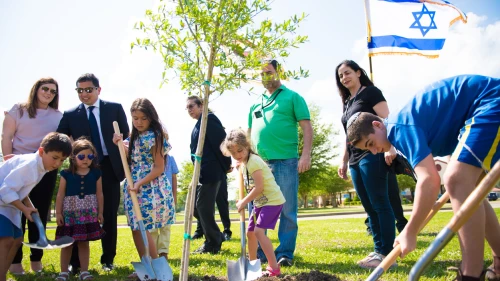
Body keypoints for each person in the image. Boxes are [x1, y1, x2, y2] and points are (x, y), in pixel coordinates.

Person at [346, 75, 500, 281]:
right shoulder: (400, 128)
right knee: (471, 192)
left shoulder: (397, 128)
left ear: (377, 125)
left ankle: (470, 274)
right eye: (368, 149)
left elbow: (429, 180)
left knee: (456, 180)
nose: (374, 152)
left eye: (370, 143)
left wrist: (410, 230)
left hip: (488, 101)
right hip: (481, 108)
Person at [57, 73, 129, 273]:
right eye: (80, 90)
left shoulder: (114, 108)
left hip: (110, 168)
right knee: (75, 216)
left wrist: (122, 141)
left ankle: (108, 260)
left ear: (99, 89)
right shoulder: (70, 114)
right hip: (81, 169)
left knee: (109, 214)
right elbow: (60, 138)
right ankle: (75, 264)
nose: (84, 94)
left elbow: (126, 135)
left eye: (88, 89)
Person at [336, 60, 402, 268]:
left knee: (381, 203)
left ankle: (387, 255)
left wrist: (391, 147)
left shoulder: (371, 93)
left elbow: (387, 120)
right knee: (369, 207)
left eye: (347, 73)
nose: (344, 78)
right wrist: (344, 159)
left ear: (358, 72)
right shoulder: (347, 102)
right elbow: (350, 135)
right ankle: (378, 251)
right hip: (355, 158)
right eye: (340, 76)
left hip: (373, 154)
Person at [248, 59, 313, 266]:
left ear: (279, 72)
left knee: (287, 209)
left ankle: (285, 253)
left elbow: (307, 127)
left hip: (286, 161)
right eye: (262, 74)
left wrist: (305, 155)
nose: (266, 77)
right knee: (257, 209)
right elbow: (249, 135)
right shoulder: (255, 103)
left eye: (269, 72)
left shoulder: (293, 97)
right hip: (258, 164)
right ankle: (259, 254)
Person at [1, 77, 63, 274]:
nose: (48, 93)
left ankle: (36, 260)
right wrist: (7, 160)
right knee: (17, 212)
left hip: (45, 168)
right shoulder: (18, 109)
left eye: (53, 91)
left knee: (38, 212)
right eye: (45, 89)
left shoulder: (58, 116)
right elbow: (6, 136)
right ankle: (15, 263)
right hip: (20, 165)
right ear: (36, 89)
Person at [113, 98, 175, 279]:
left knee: (144, 226)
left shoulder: (155, 136)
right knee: (135, 226)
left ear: (151, 118)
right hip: (133, 187)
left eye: (143, 118)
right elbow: (131, 159)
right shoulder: (133, 137)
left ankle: (156, 267)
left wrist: (140, 183)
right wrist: (119, 144)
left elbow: (159, 167)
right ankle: (146, 266)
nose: (139, 122)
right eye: (135, 118)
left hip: (151, 188)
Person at [0, 132, 72, 281]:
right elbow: (6, 190)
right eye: (55, 158)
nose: (58, 164)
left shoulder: (41, 167)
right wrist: (24, 209)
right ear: (41, 151)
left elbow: (21, 189)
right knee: (6, 240)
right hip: (2, 203)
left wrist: (30, 207)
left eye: (62, 160)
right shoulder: (31, 166)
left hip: (8, 203)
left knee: (17, 239)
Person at [221, 129, 286, 277]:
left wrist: (244, 201)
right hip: (260, 203)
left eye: (240, 150)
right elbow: (251, 186)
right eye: (234, 153)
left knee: (258, 232)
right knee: (250, 233)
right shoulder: (244, 163)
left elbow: (260, 187)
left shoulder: (254, 162)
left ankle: (274, 268)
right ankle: (252, 266)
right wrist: (243, 199)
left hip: (272, 201)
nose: (238, 155)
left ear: (247, 146)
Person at [54, 139, 105, 281]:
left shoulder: (96, 173)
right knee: (67, 243)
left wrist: (100, 212)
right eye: (81, 156)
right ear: (73, 157)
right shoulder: (66, 174)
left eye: (90, 156)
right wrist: (58, 213)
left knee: (84, 243)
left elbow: (99, 194)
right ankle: (64, 272)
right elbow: (60, 194)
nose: (86, 160)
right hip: (70, 213)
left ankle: (84, 271)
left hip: (88, 213)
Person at [187, 95, 230, 254]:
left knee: (202, 207)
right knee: (194, 207)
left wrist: (227, 165)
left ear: (201, 105)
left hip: (211, 170)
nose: (189, 110)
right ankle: (216, 235)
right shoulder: (199, 123)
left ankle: (213, 242)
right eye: (187, 108)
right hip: (201, 172)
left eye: (192, 106)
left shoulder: (209, 120)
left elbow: (221, 143)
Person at [149, 152, 178, 260]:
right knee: (153, 227)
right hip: (153, 197)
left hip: (167, 198)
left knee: (166, 227)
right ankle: (153, 253)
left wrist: (174, 196)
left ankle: (163, 252)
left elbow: (174, 178)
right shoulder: (149, 158)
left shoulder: (170, 159)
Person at [192, 175, 232, 241]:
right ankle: (200, 230)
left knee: (222, 204)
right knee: (200, 206)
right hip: (203, 177)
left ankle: (226, 231)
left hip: (219, 175)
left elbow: (228, 167)